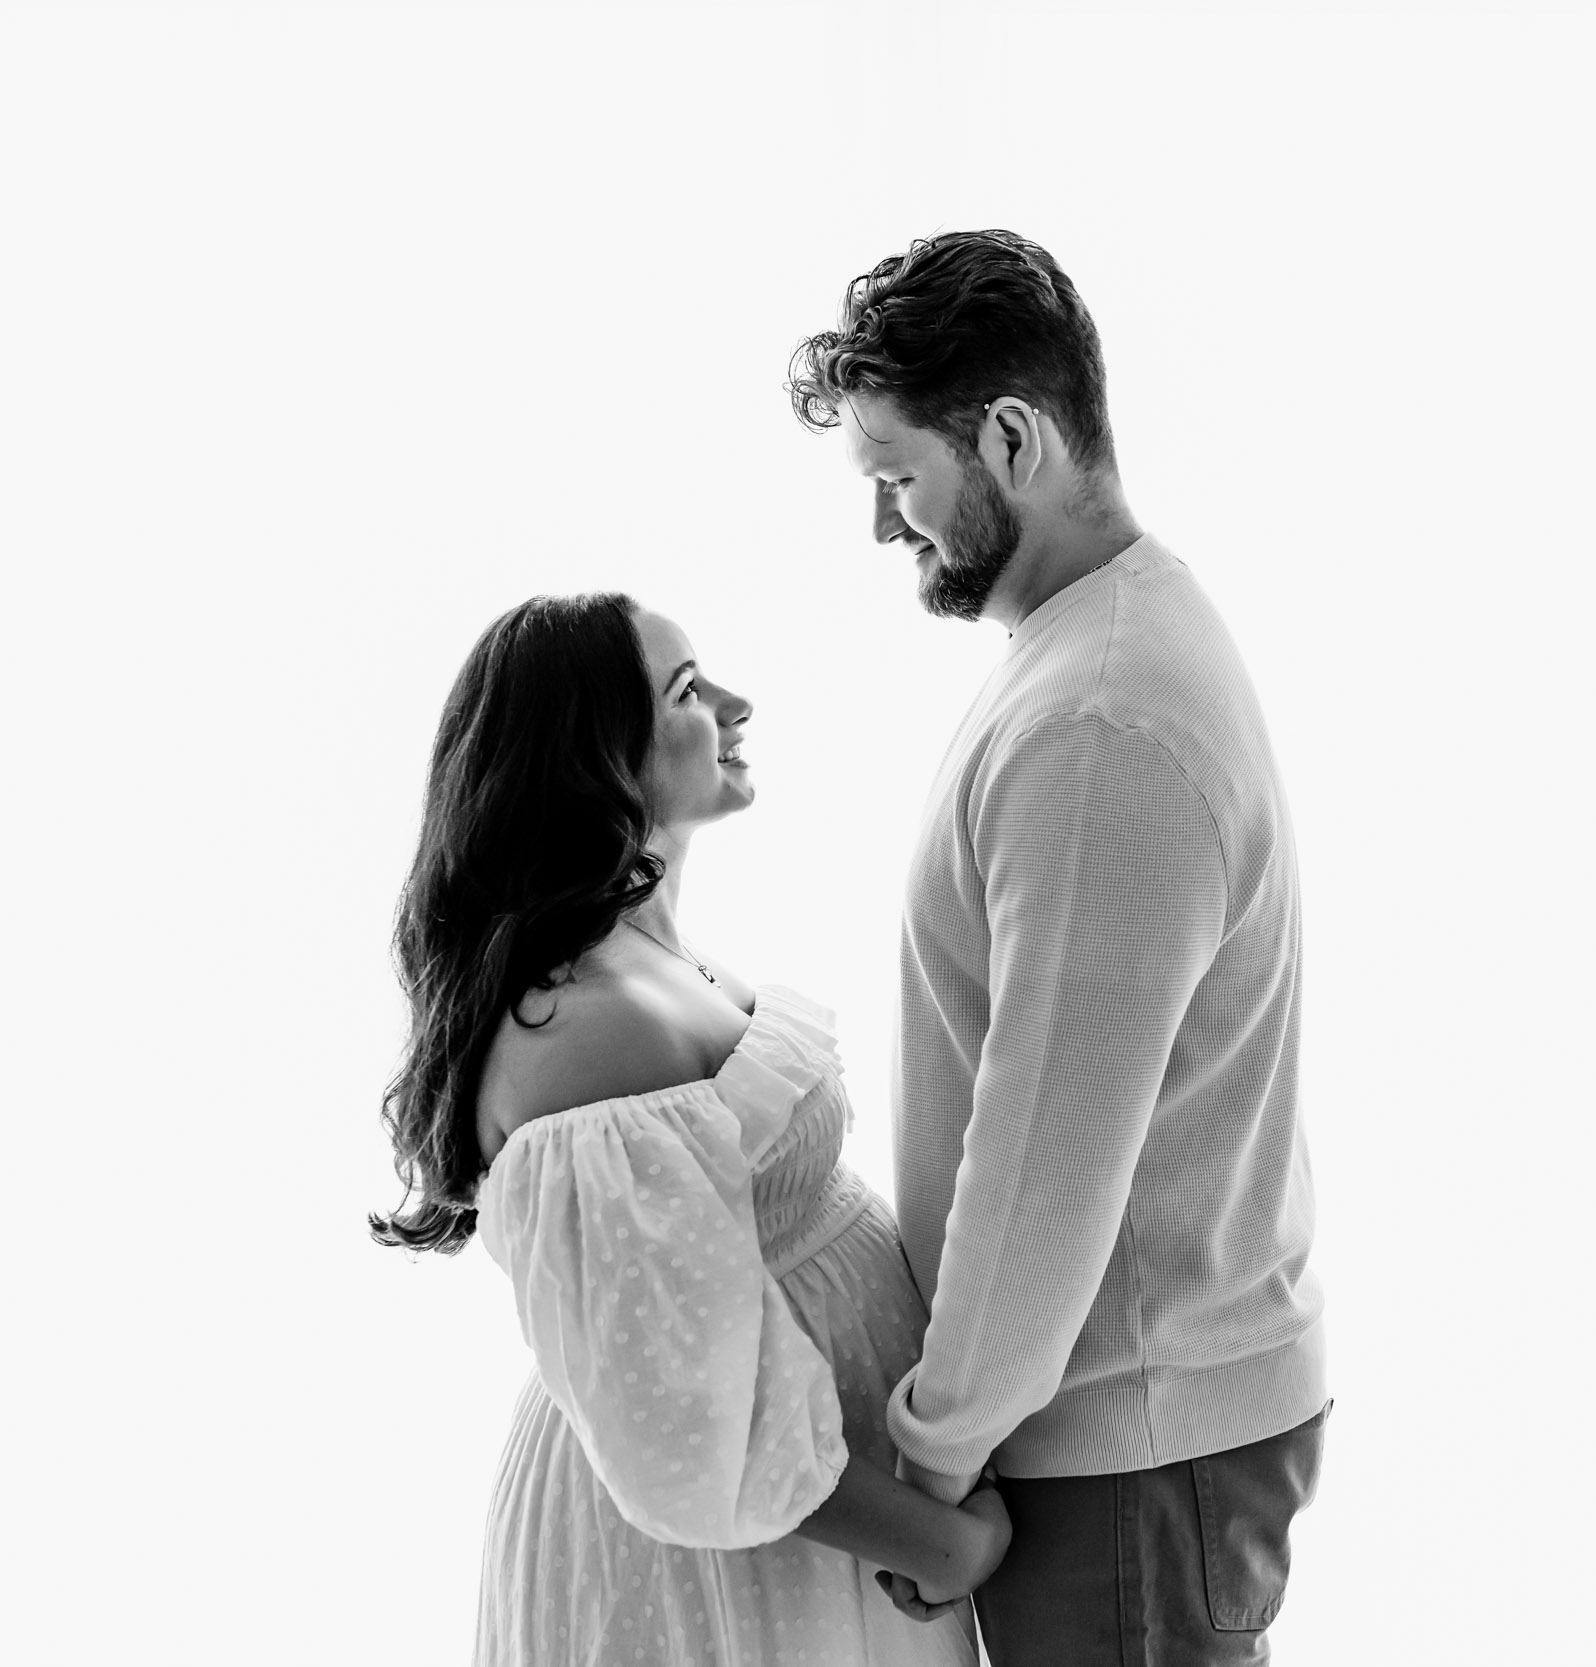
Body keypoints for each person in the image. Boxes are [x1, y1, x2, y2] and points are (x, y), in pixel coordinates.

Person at [787, 231, 1331, 1665]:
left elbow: (1043, 1166)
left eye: (899, 475)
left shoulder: (1098, 721)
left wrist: (932, 1458)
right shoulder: (1096, 649)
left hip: (1128, 1456)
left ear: (1013, 437)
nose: (886, 526)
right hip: (1134, 1440)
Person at [370, 593, 1006, 1666]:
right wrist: (946, 1544)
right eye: (687, 691)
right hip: (723, 1556)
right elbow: (687, 1426)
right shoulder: (583, 1030)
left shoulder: (642, 965)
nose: (733, 704)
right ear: (595, 758)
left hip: (790, 1530)